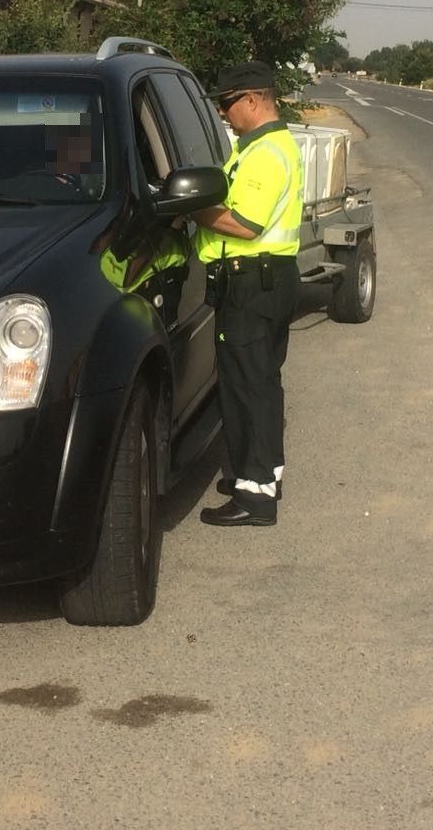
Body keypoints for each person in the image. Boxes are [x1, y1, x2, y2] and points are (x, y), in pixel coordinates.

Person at [190, 61, 304, 528]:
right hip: (266, 280)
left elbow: (244, 223)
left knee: (248, 386)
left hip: (252, 283)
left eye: (227, 103)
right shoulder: (260, 146)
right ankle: (257, 475)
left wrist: (193, 210)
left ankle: (254, 497)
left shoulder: (264, 155)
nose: (222, 113)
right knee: (259, 381)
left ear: (253, 100)